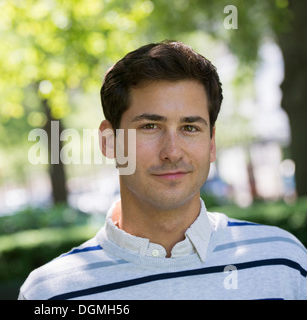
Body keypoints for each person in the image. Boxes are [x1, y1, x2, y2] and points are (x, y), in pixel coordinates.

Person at [18, 40, 307, 300]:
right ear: (109, 142)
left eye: (190, 128)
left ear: (211, 143)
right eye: (150, 127)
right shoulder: (51, 294)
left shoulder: (285, 264)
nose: (172, 152)